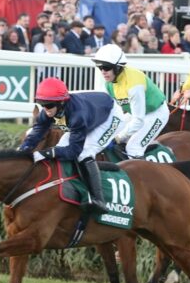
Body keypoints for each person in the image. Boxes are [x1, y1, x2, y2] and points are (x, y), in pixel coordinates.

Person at [19, 77, 125, 214]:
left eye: (49, 105)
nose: (46, 109)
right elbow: (38, 131)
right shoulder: (49, 110)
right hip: (91, 114)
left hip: (111, 116)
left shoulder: (78, 115)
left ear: (61, 102)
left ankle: (98, 200)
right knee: (60, 146)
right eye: (42, 104)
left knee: (85, 153)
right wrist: (23, 150)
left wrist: (47, 153)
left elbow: (74, 150)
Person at [92, 44, 169, 159]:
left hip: (156, 114)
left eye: (106, 67)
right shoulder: (109, 82)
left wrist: (118, 138)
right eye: (100, 67)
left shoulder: (134, 84)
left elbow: (138, 120)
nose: (103, 71)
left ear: (117, 67)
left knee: (133, 147)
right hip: (135, 113)